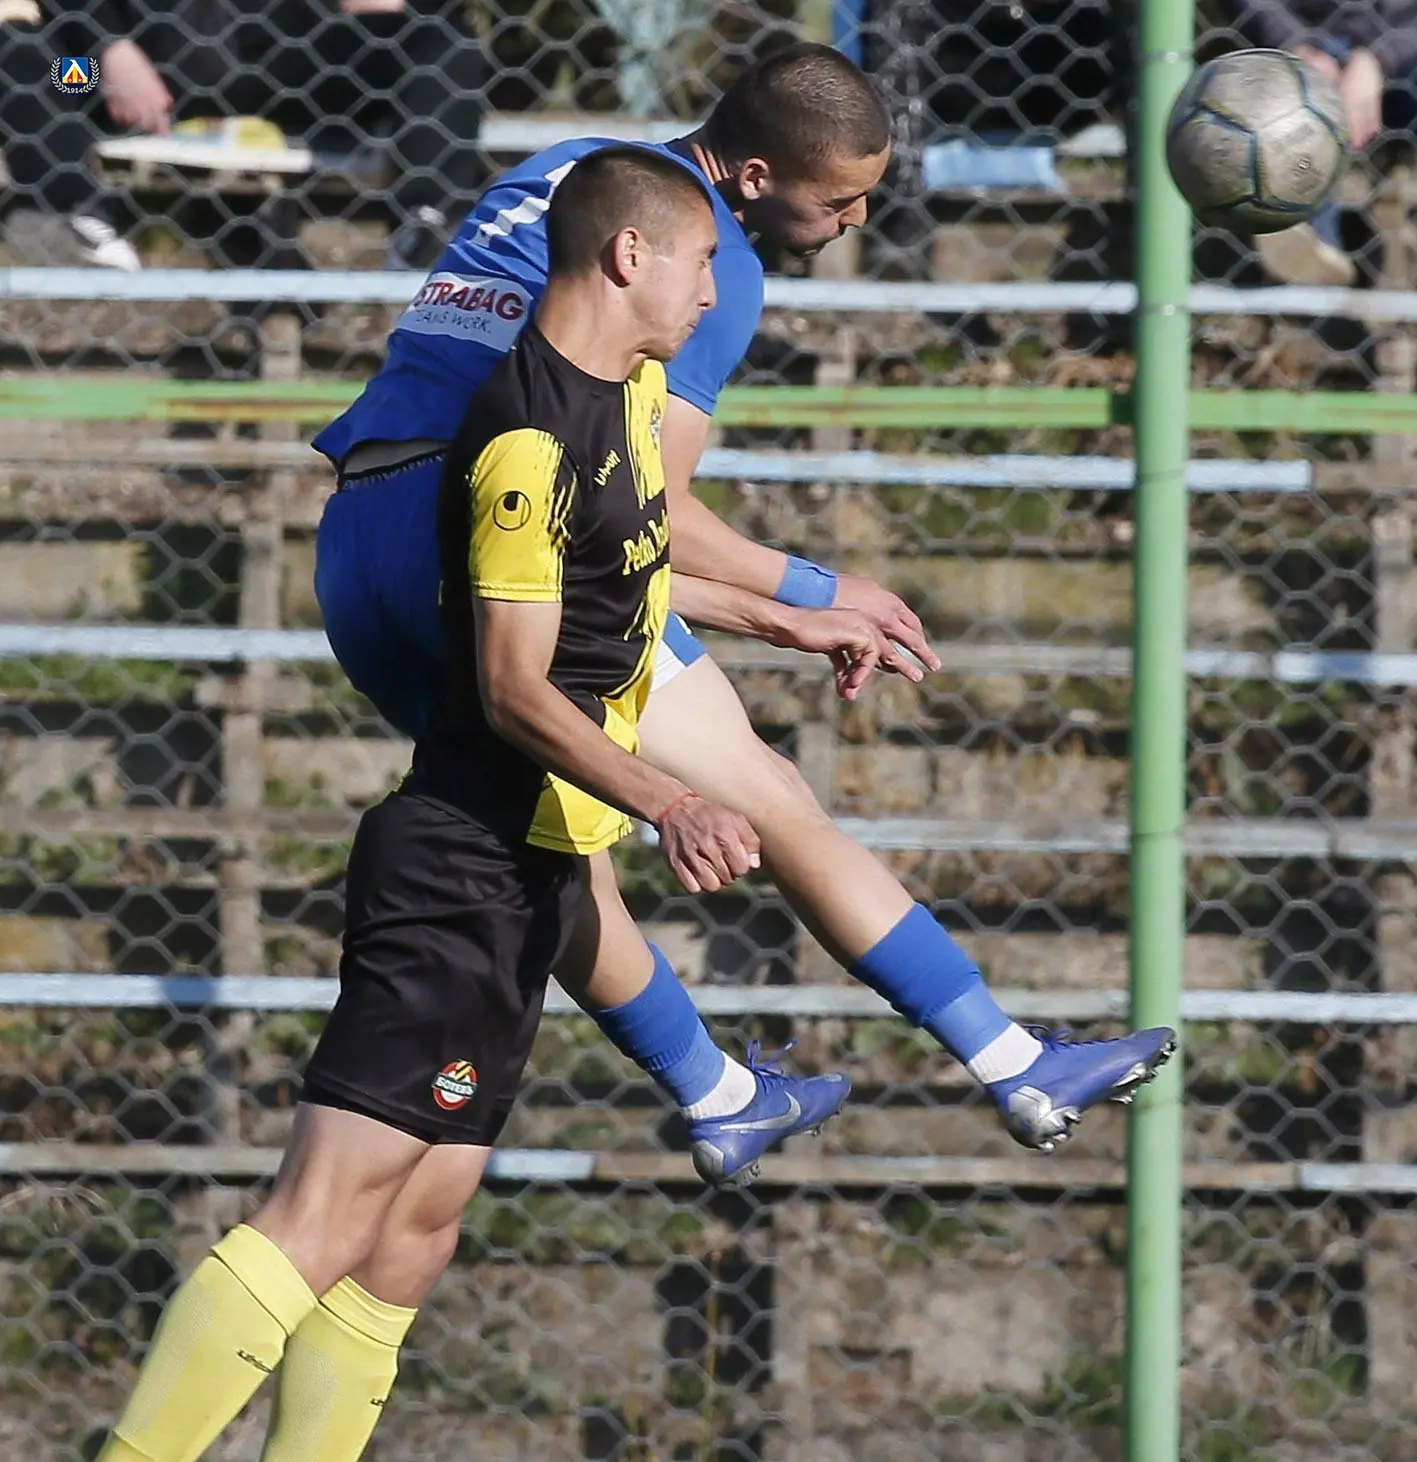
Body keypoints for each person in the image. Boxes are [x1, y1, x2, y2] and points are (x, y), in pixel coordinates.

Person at [21, 145, 761, 1462]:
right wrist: (672, 797)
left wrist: (810, 612)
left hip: (531, 876)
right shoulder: (521, 437)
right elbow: (511, 687)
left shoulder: (629, 401)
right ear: (630, 257)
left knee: (411, 1236)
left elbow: (648, 565)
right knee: (324, 1212)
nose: (723, 290)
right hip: (455, 870)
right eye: (705, 261)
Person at [315, 41, 1177, 1176]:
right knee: (766, 794)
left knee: (546, 842)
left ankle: (716, 1090)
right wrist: (813, 589)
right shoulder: (692, 261)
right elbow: (649, 506)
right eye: (839, 199)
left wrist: (776, 615)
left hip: (357, 541)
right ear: (757, 178)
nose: (857, 219)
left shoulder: (572, 169)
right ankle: (1008, 1059)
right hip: (485, 524)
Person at [84, 0, 486, 269]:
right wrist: (108, 46)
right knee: (56, 71)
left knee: (445, 41)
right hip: (145, 76)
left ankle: (426, 227)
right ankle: (77, 212)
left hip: (302, 66)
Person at [1229, 2, 1417, 286]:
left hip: (1402, 41)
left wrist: (1377, 59)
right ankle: (1314, 244)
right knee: (1301, 104)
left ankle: (1396, 199)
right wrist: (1295, 45)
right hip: (1302, 42)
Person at [0, 12, 141, 268]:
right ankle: (78, 220)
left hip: (170, 74)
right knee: (24, 50)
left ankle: (74, 222)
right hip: (87, 68)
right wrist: (111, 48)